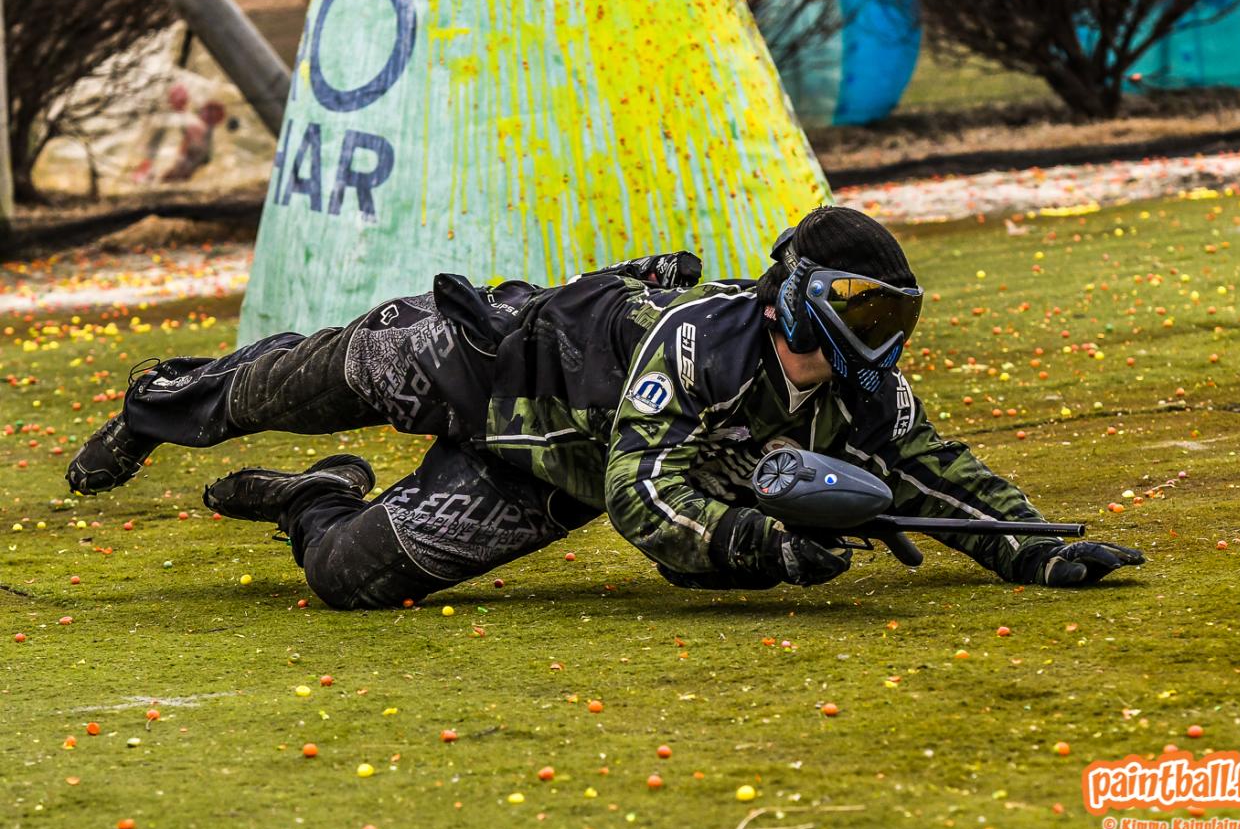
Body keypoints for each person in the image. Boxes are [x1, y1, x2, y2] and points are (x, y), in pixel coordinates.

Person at [66, 207, 1144, 609]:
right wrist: (754, 543)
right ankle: (152, 408)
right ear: (801, 298)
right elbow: (645, 491)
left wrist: (1034, 551)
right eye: (861, 306)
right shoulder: (703, 342)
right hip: (482, 359)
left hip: (538, 474)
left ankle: (316, 495)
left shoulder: (861, 400)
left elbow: (938, 473)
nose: (879, 334)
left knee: (347, 578)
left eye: (892, 312)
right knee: (275, 388)